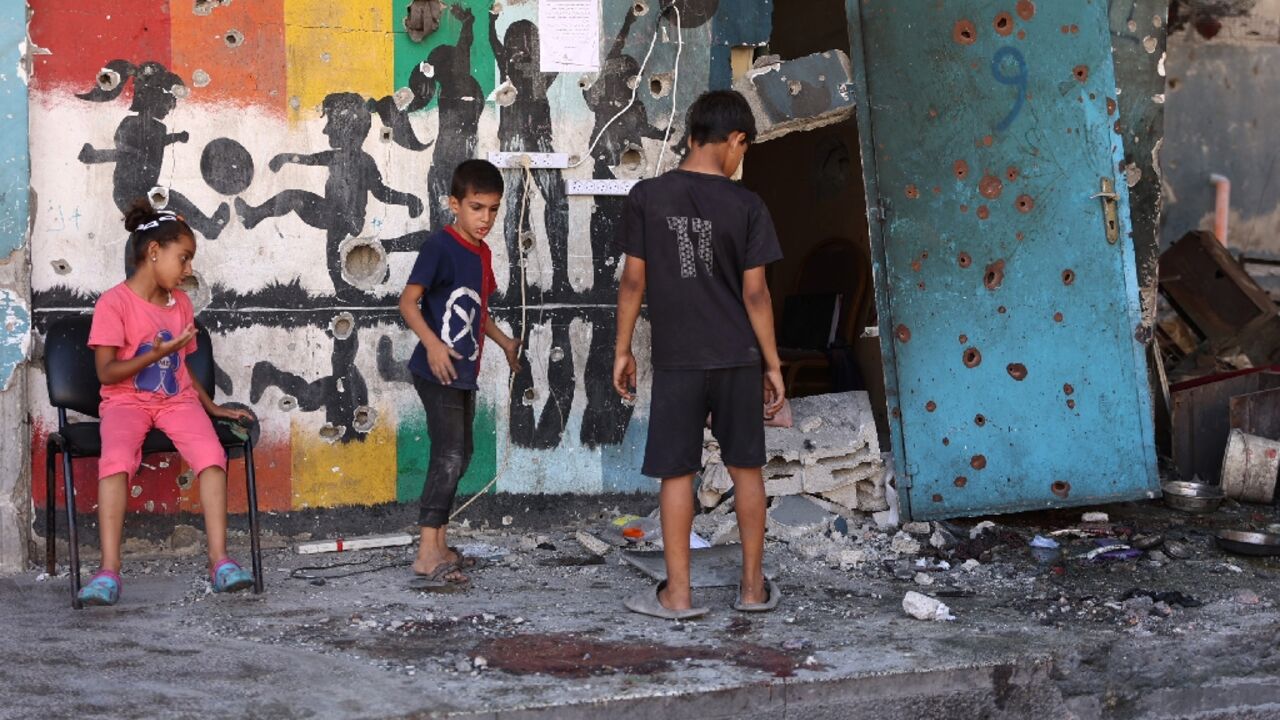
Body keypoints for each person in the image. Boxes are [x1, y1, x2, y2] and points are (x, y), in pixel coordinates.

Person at [613, 90, 786, 619]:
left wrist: (622, 351)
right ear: (735, 141)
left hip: (677, 359)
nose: (741, 160)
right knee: (746, 470)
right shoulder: (748, 204)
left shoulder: (648, 195)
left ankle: (679, 596)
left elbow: (633, 280)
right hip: (737, 356)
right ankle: (752, 591)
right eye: (743, 149)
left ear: (691, 138)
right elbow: (756, 295)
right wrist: (773, 365)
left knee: (677, 474)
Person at [81, 201, 256, 606]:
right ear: (154, 252)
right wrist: (157, 355)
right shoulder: (114, 304)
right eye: (184, 258)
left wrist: (212, 408)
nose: (189, 269)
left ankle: (221, 562)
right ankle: (108, 571)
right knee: (116, 459)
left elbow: (182, 365)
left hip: (175, 399)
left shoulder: (181, 304)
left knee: (212, 454)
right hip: (126, 400)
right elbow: (107, 373)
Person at [398, 159, 522, 586]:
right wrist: (433, 345)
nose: (485, 218)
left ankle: (440, 544)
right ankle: (426, 555)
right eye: (476, 208)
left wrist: (505, 343)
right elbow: (407, 302)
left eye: (493, 209)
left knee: (460, 455)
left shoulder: (482, 253)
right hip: (437, 370)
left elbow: (478, 311)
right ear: (454, 204)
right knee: (448, 456)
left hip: (464, 371)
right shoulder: (440, 247)